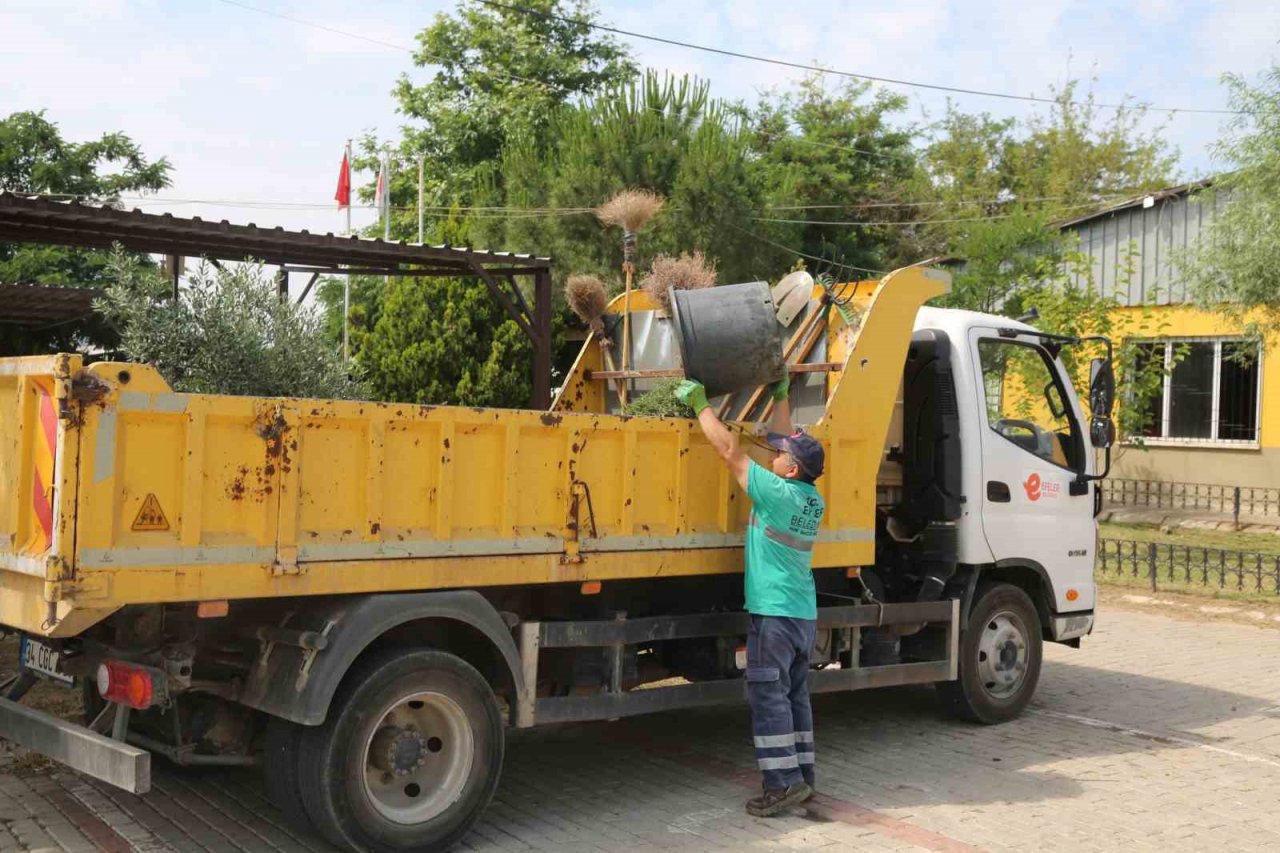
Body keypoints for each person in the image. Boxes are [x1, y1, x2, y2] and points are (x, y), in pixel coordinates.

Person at [675, 373, 826, 818]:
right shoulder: (810, 498)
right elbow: (781, 438)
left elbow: (729, 451)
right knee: (795, 696)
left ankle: (781, 786)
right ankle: (803, 777)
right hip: (802, 615)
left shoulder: (776, 493)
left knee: (769, 699)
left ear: (791, 469)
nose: (775, 453)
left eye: (781, 455)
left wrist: (702, 404)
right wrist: (780, 398)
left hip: (774, 616)